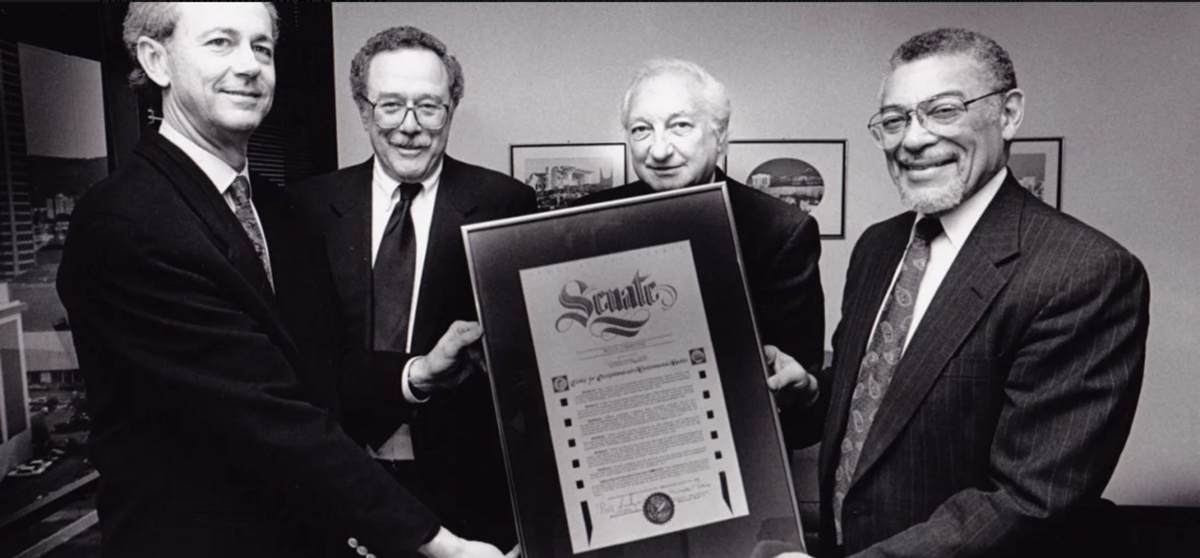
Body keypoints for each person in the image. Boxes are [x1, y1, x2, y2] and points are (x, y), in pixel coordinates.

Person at [58, 4, 512, 557]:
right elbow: (264, 411)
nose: (249, 65)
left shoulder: (278, 210)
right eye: (221, 43)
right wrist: (440, 544)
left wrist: (419, 373)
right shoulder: (124, 222)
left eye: (262, 47)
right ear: (156, 60)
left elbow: (316, 368)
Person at [778, 28, 1150, 558]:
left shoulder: (1084, 273)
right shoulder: (878, 248)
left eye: (943, 111)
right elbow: (883, 397)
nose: (913, 139)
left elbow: (1031, 499)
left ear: (1009, 113)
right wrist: (813, 392)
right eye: (894, 120)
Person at [292, 26, 537, 548]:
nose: (410, 127)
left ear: (451, 110)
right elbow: (304, 363)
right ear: (363, 110)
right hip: (339, 487)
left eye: (429, 107)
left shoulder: (507, 203)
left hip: (468, 500)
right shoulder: (305, 210)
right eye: (391, 106)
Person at [575, 59, 826, 411]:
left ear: (720, 135)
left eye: (679, 126)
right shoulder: (583, 222)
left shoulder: (781, 229)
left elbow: (802, 380)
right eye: (641, 130)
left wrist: (797, 390)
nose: (659, 151)